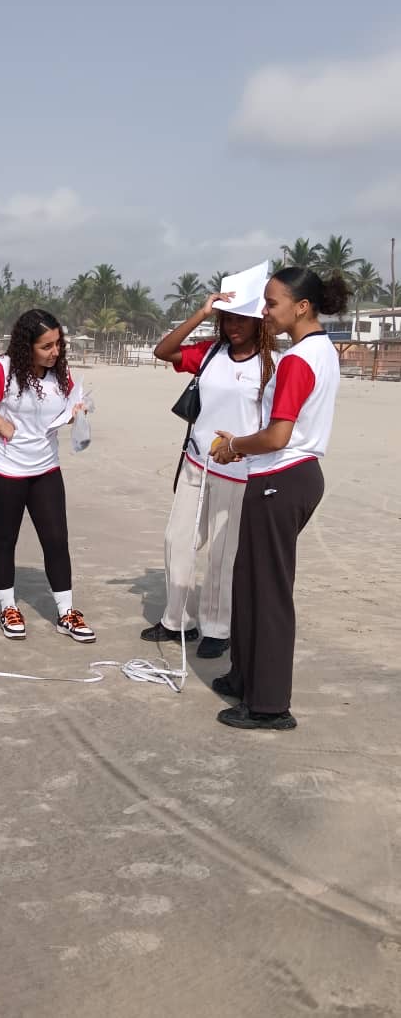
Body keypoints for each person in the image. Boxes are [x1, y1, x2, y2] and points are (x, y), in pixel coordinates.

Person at [210, 267, 346, 729]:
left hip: (281, 478)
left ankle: (269, 704)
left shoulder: (297, 359)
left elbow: (278, 435)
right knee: (249, 579)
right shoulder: (321, 350)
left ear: (301, 307)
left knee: (267, 590)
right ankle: (244, 676)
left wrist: (234, 445)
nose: (264, 312)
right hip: (289, 475)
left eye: (271, 304)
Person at [141, 286, 279, 658]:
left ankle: (218, 628)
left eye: (241, 320)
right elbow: (163, 351)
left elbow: (274, 425)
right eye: (227, 319)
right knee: (177, 540)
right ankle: (177, 620)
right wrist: (202, 313)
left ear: (257, 321)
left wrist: (242, 450)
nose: (233, 326)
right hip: (196, 461)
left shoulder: (272, 365)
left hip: (239, 469)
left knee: (223, 552)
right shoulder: (210, 353)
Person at [0, 308, 95, 642]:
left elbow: (62, 409)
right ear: (26, 346)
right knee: (6, 538)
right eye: (46, 346)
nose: (55, 352)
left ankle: (66, 613)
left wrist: (76, 413)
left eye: (58, 344)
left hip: (45, 467)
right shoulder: (4, 370)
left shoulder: (61, 372)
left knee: (56, 540)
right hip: (6, 469)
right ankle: (8, 607)